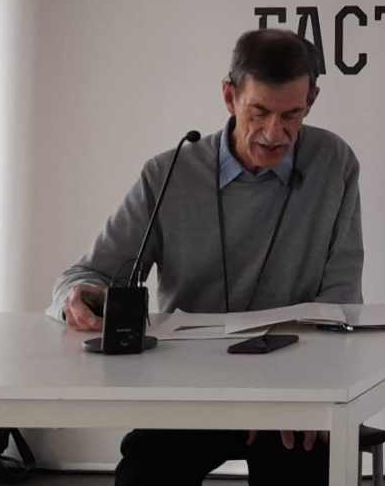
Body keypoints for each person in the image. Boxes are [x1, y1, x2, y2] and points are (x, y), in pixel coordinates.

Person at [48, 29, 364, 486]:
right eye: (260, 112)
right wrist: (76, 298)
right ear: (229, 96)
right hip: (190, 389)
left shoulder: (333, 162)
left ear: (311, 101)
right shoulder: (168, 172)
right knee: (143, 477)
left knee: (303, 469)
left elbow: (341, 295)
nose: (274, 133)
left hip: (293, 385)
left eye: (291, 115)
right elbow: (85, 274)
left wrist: (316, 393)